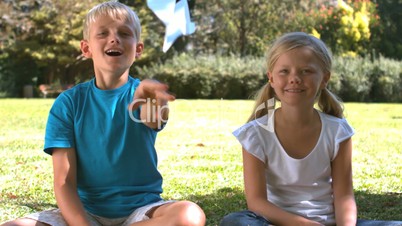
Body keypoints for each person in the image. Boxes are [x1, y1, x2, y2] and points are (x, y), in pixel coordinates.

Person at [1, 1, 205, 226]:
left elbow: (154, 118)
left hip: (142, 212)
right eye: (103, 33)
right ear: (86, 48)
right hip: (83, 213)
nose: (114, 38)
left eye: (124, 33)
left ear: (138, 49)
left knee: (189, 216)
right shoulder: (68, 103)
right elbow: (64, 182)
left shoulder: (144, 95)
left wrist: (151, 97)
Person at [220, 32, 402, 226]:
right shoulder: (255, 134)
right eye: (284, 71)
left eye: (306, 71)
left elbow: (345, 198)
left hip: (329, 223)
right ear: (271, 78)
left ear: (324, 78)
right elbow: (257, 203)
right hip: (277, 223)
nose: (295, 78)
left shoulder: (338, 132)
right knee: (236, 222)